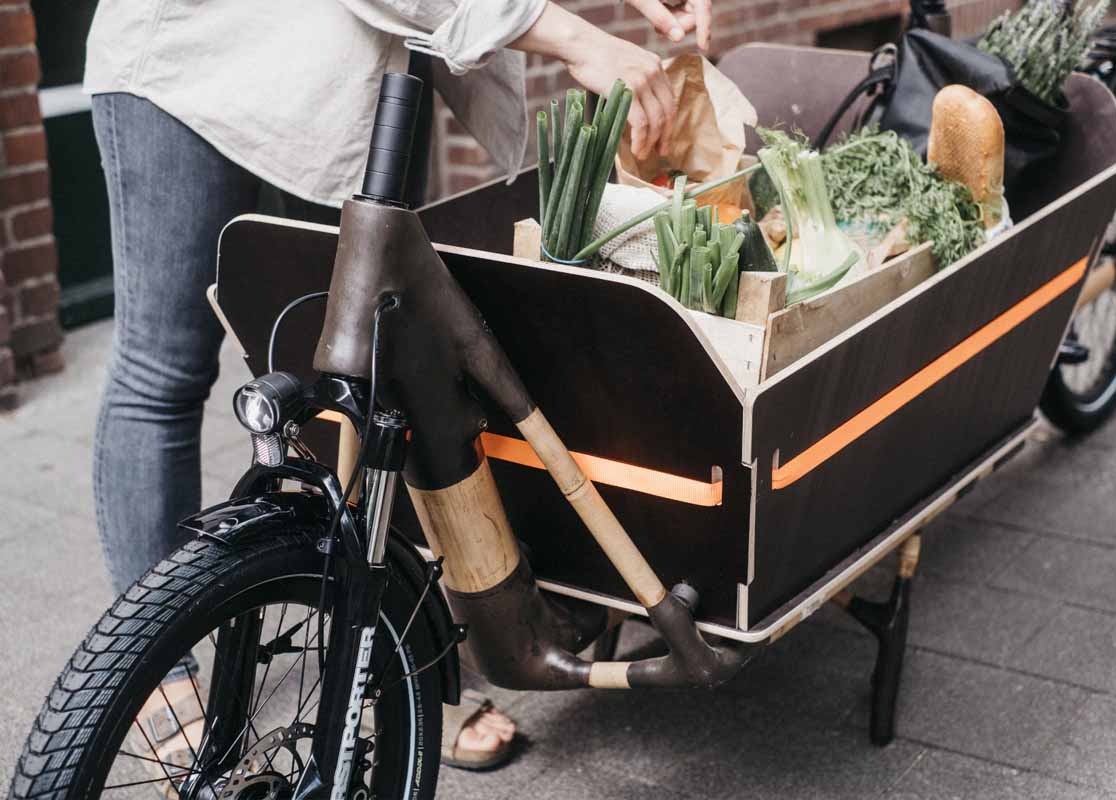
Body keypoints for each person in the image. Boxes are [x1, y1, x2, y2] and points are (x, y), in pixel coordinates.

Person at [83, 0, 713, 778]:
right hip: (191, 56)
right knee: (165, 367)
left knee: (370, 376)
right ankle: (156, 674)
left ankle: (393, 665)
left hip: (344, 69)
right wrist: (576, 36)